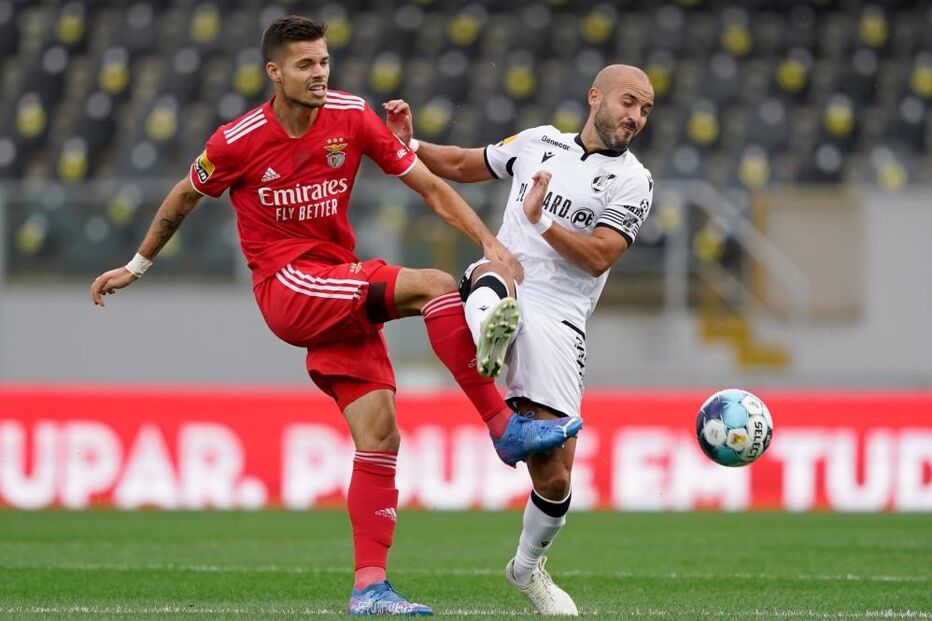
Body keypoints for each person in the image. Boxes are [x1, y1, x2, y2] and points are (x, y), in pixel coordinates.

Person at [89, 16, 581, 617]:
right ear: (275, 72)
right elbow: (184, 196)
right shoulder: (236, 140)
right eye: (305, 65)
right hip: (289, 287)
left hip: (337, 281)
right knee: (431, 286)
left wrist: (490, 244)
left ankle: (369, 588)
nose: (319, 74)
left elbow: (427, 185)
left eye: (323, 62)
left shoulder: (351, 116)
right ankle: (504, 427)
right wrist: (136, 266)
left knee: (380, 435)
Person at [383, 64, 655, 615]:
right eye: (629, 102)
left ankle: (527, 568)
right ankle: (491, 329)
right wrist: (408, 144)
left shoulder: (634, 180)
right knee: (497, 267)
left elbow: (602, 254)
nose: (636, 117)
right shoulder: (538, 142)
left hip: (562, 315)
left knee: (554, 475)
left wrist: (542, 221)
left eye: (646, 110)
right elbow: (463, 163)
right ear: (595, 96)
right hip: (508, 276)